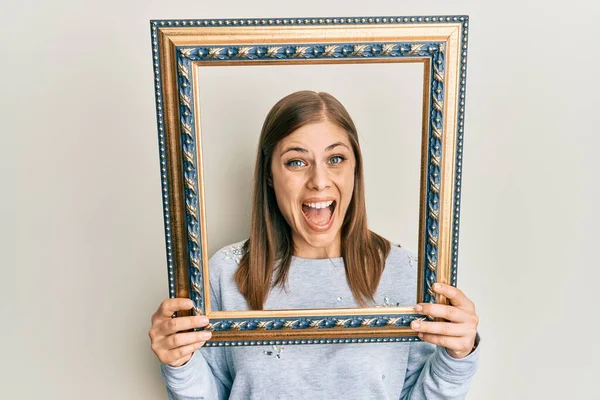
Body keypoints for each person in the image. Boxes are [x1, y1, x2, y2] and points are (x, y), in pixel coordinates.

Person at [149, 91, 480, 399]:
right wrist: (178, 362)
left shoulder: (405, 272)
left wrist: (457, 355)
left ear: (355, 170)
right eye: (297, 161)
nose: (319, 180)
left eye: (335, 159)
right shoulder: (226, 272)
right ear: (269, 174)